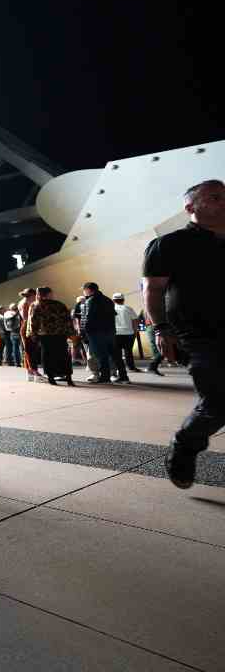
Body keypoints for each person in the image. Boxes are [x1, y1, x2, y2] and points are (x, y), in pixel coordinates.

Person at [143, 179, 225, 489]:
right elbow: (152, 290)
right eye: (214, 197)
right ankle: (184, 447)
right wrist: (161, 329)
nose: (223, 201)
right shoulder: (170, 244)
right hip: (200, 335)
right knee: (219, 401)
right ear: (190, 208)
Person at [31, 287, 75, 386]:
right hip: (60, 334)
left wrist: (33, 334)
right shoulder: (60, 305)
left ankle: (51, 378)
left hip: (45, 335)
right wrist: (70, 333)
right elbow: (67, 320)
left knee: (47, 356)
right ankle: (68, 378)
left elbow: (34, 322)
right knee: (63, 355)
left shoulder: (37, 306)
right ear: (49, 294)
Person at [80, 282, 117, 384]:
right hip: (109, 331)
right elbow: (113, 316)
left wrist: (83, 333)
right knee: (109, 354)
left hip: (95, 332)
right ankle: (112, 374)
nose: (83, 292)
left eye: (84, 290)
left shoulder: (90, 301)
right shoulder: (108, 300)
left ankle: (104, 377)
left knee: (99, 355)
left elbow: (87, 318)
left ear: (89, 290)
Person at [111, 293, 141, 380]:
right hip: (129, 333)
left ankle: (118, 371)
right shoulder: (128, 308)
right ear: (123, 300)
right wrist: (135, 331)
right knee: (128, 351)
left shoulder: (111, 309)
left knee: (117, 354)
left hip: (116, 334)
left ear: (113, 300)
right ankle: (131, 367)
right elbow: (135, 320)